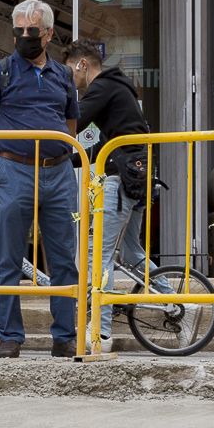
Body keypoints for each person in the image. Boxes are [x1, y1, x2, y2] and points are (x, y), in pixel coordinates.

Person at [0, 0, 82, 359]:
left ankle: (65, 336)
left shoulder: (63, 76)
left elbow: (70, 124)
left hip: (58, 171)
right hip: (14, 170)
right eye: (18, 30)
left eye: (31, 31)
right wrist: (4, 164)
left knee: (64, 256)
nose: (23, 37)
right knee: (8, 256)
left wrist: (54, 153)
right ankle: (10, 336)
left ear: (48, 34)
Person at [65, 41, 150, 348]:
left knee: (97, 255)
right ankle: (177, 303)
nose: (70, 80)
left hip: (120, 177)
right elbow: (106, 143)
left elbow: (75, 121)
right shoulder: (119, 87)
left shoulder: (102, 88)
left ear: (82, 65)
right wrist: (71, 159)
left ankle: (101, 332)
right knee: (131, 253)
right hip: (136, 172)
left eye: (69, 71)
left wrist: (50, 140)